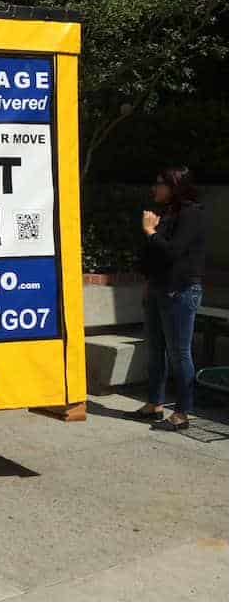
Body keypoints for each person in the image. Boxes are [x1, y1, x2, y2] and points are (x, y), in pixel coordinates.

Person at [126, 166, 206, 431]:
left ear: (175, 186)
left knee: (179, 352)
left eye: (159, 183)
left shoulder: (192, 214)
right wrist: (148, 280)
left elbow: (173, 252)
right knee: (155, 349)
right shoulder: (167, 213)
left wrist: (150, 231)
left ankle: (184, 411)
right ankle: (154, 403)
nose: (154, 188)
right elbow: (154, 255)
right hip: (159, 288)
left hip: (180, 291)